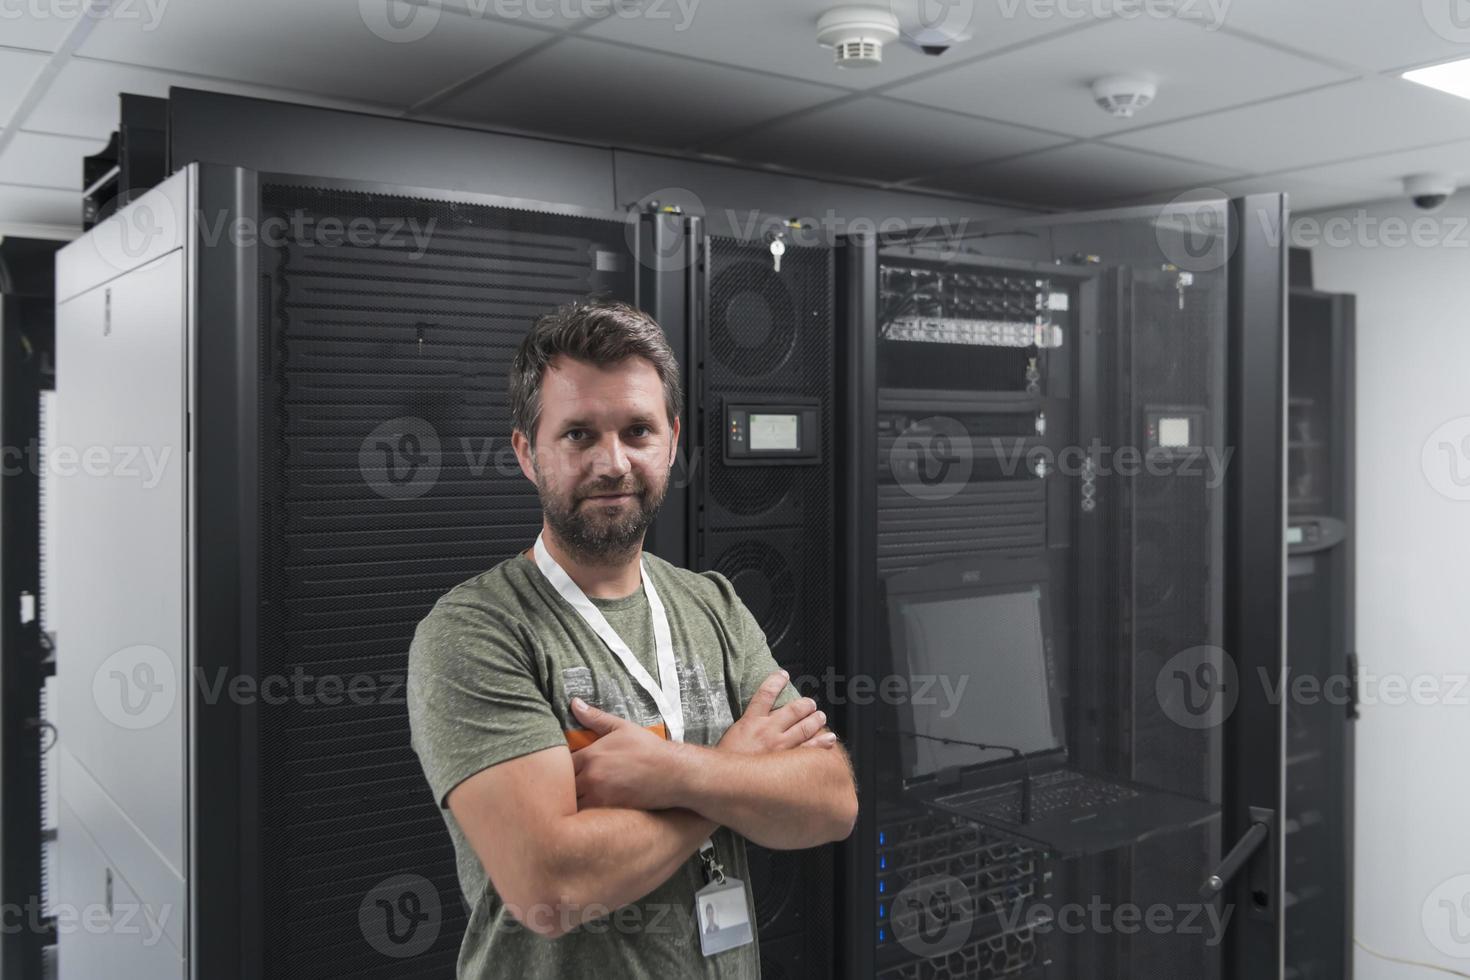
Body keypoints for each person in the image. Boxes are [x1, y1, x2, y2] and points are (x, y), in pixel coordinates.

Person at [407, 299, 858, 979]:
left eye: (638, 431)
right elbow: (551, 888)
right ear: (528, 453)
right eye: (580, 435)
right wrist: (733, 777)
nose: (613, 462)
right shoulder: (476, 632)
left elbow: (831, 802)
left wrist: (673, 772)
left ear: (672, 441)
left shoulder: (716, 607)